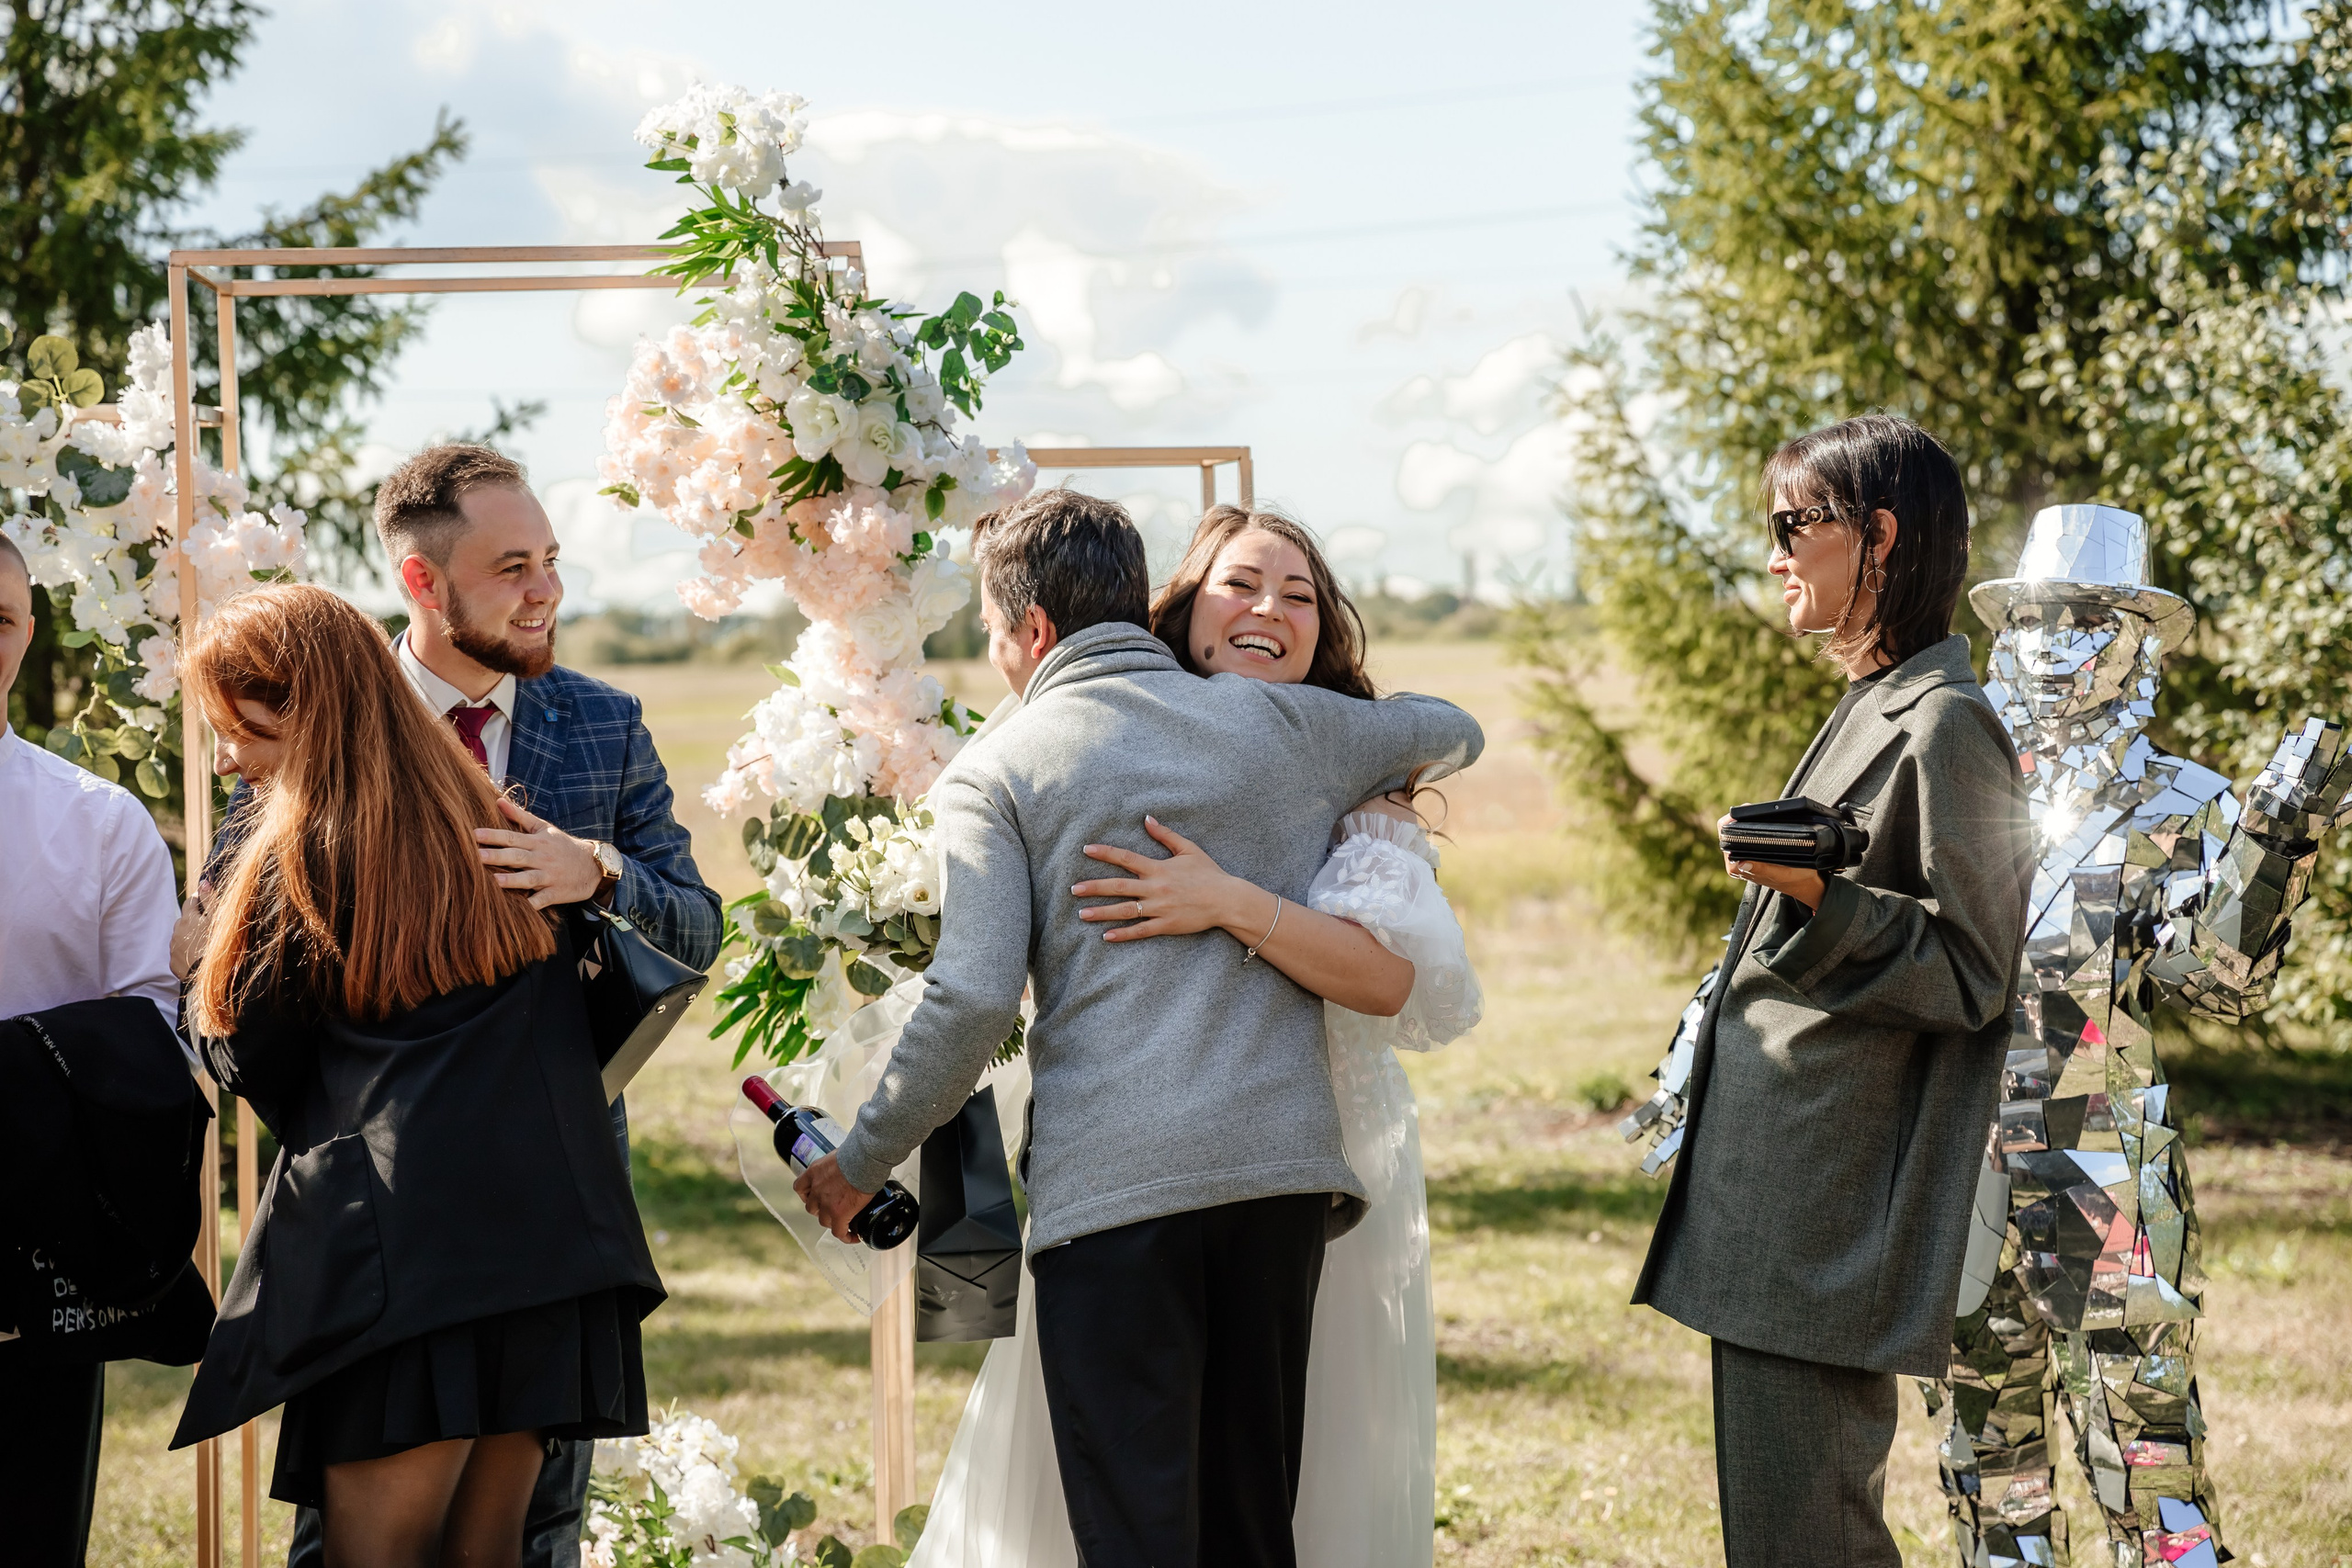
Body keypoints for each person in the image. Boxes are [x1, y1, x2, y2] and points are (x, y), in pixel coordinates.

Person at [793, 489, 1483, 1568]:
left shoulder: (999, 769)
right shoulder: (1281, 721)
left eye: (990, 633)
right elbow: (1452, 728)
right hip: (1278, 1186)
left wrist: (857, 1159)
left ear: (1029, 631)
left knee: (1136, 1539)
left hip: (1116, 1200)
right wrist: (1378, 781)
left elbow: (972, 1001)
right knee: (1252, 1528)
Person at [266, 444, 721, 1568]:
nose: (546, 591)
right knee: (356, 1537)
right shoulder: (319, 722)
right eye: (512, 566)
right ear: (423, 584)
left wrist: (599, 872)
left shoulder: (604, 723)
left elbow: (702, 926)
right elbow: (244, 960)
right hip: (382, 1204)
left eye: (551, 561)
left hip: (553, 1204)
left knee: (527, 1538)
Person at [167, 584, 663, 1568]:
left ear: (305, 706)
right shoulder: (494, 820)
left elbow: (250, 1062)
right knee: (486, 1557)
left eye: (235, 728)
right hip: (548, 1252)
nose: (225, 757)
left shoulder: (298, 855)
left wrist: (195, 966)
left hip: (404, 1262)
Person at [1623, 414, 2031, 1567]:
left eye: (1790, 524)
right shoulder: (1874, 699)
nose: (1772, 554)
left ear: (1880, 536)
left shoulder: (1947, 724)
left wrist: (1816, 899)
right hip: (1777, 1204)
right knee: (1775, 1531)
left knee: (1809, 1539)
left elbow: (1972, 971)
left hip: (1828, 1218)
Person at [1928, 504, 2349, 1568]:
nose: (2047, 645)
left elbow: (2218, 976)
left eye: (2080, 619)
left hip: (2103, 1182)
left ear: (2136, 638)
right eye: (2028, 621)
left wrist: (2278, 833)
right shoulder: (1958, 785)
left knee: (2150, 1476)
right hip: (1960, 1169)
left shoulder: (2186, 804)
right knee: (1989, 1476)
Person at [0, 532, 185, 1566]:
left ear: (28, 634)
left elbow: (156, 1035)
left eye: (1, 618)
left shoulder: (101, 824)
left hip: (38, 1252)